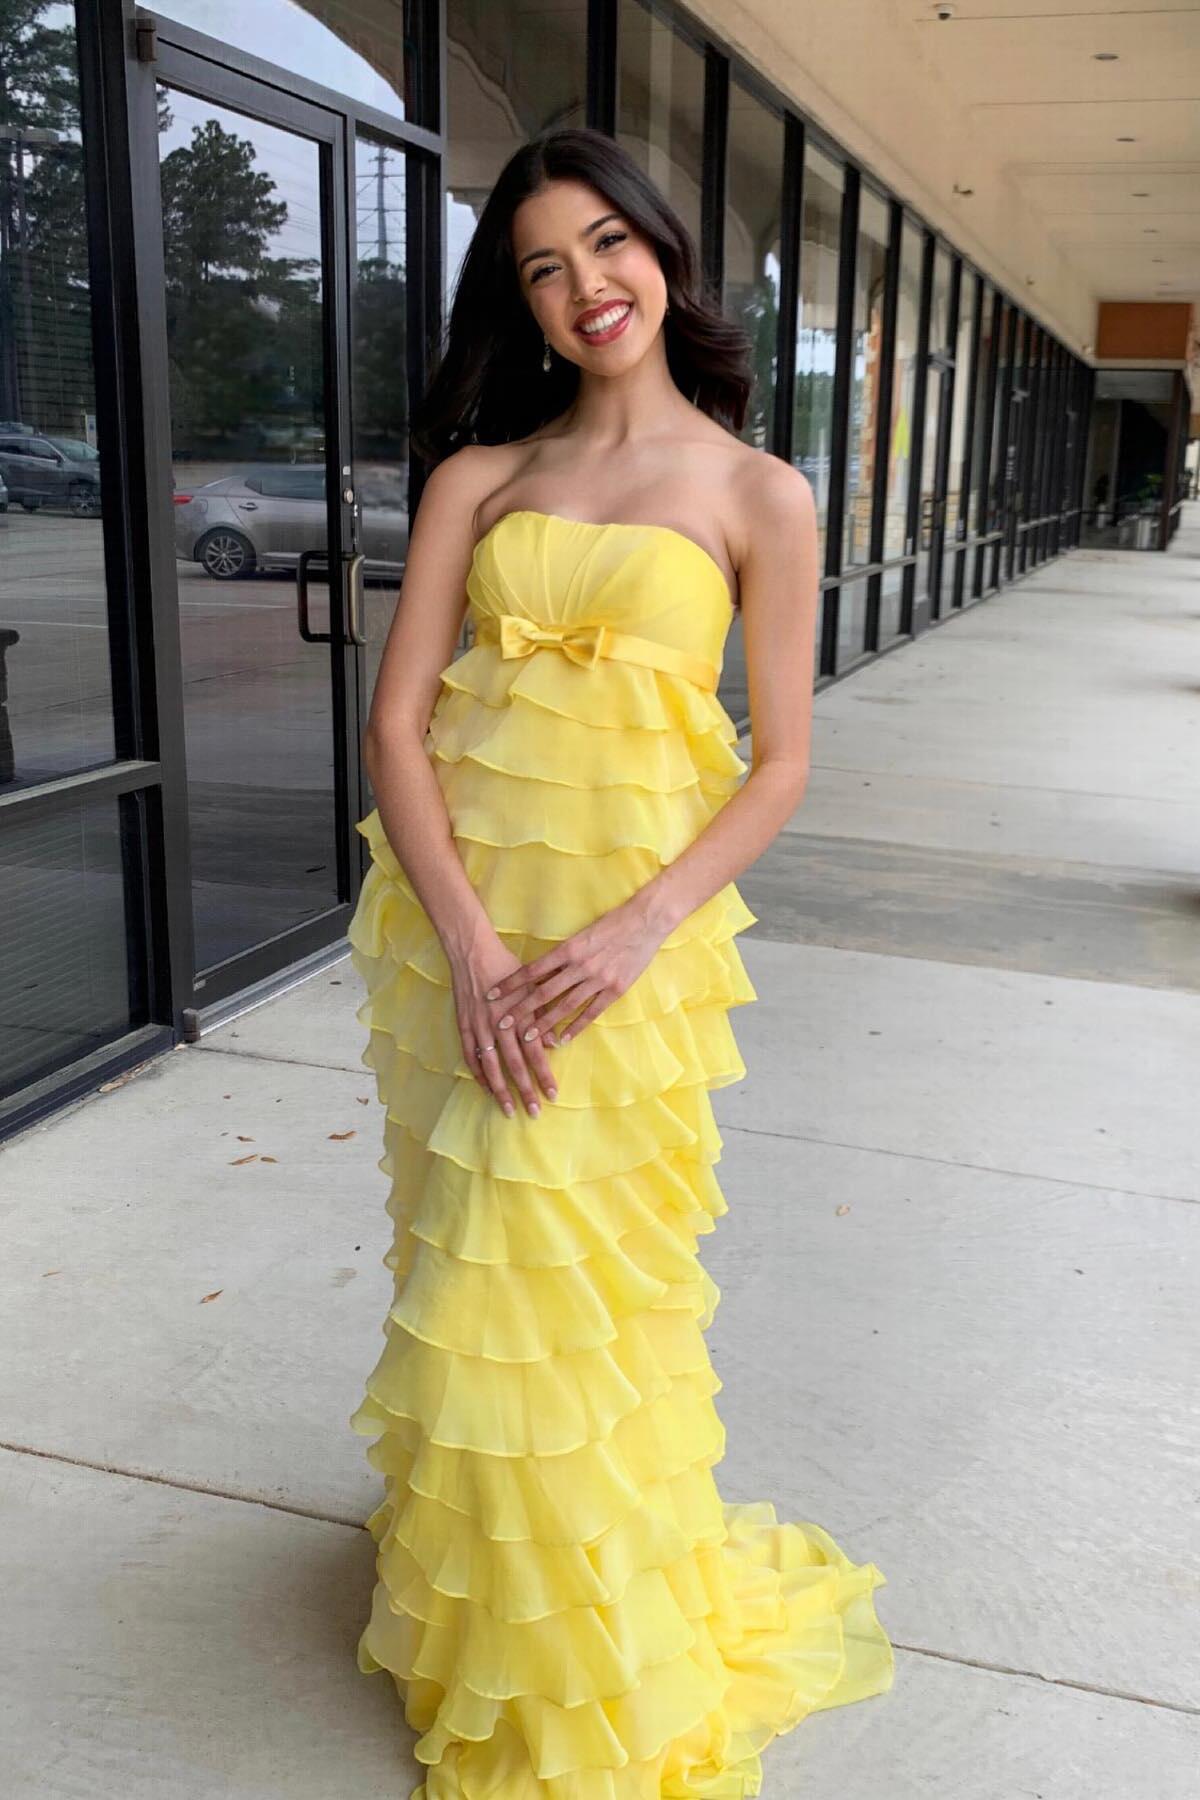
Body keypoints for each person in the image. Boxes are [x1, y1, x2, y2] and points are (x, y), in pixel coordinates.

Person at [346, 124, 894, 1797]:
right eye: (541, 266)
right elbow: (395, 729)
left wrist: (632, 933)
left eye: (606, 243)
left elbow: (780, 764)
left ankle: (583, 1657)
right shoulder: (479, 478)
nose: (584, 285)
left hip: (624, 964)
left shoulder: (758, 493)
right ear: (518, 305)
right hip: (465, 941)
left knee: (574, 1295)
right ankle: (496, 1626)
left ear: (661, 252)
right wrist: (468, 949)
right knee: (467, 1281)